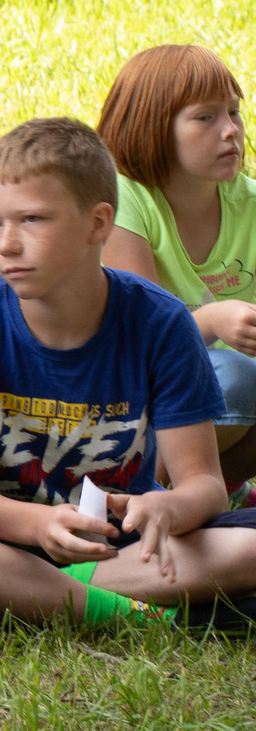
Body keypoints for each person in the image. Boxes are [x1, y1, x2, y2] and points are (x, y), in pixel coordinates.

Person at [0, 118, 256, 629]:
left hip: (125, 542)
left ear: (98, 223)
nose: (7, 245)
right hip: (5, 538)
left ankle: (47, 599)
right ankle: (148, 616)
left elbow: (204, 485)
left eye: (33, 220)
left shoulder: (161, 321)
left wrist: (167, 509)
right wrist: (37, 524)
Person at [96, 46, 256, 487]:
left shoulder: (252, 204)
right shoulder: (125, 201)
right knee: (234, 376)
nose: (231, 131)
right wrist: (211, 320)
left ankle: (218, 498)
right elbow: (139, 340)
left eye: (234, 113)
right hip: (125, 398)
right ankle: (137, 499)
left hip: (221, 397)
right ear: (152, 128)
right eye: (205, 118)